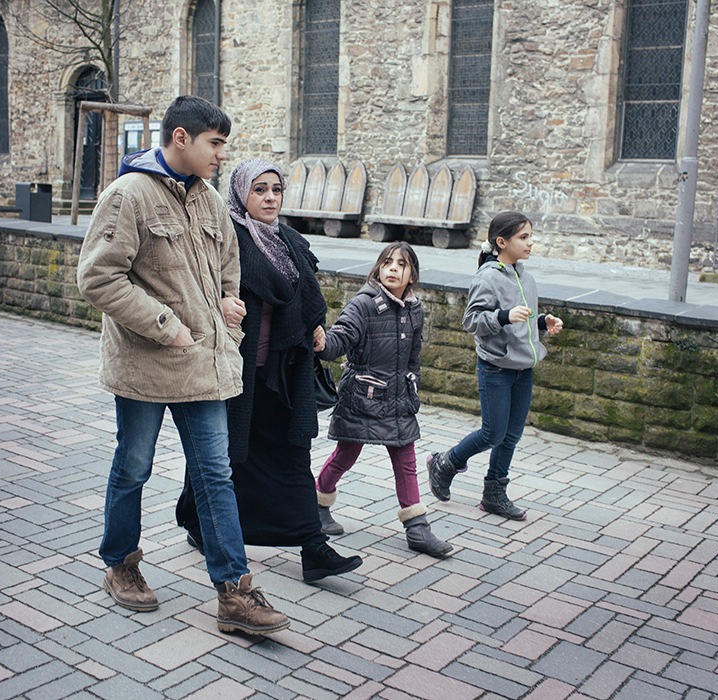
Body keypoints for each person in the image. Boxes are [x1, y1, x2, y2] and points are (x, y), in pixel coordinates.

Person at [76, 96, 289, 636]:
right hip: (147, 365)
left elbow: (228, 275)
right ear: (181, 139)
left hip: (204, 365)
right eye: (214, 144)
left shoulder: (212, 202)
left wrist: (230, 319)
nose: (221, 155)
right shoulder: (128, 196)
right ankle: (120, 561)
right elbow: (98, 278)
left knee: (215, 472)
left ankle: (234, 592)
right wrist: (165, 326)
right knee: (134, 465)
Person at [175, 159, 363, 584]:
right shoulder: (225, 238)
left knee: (293, 454)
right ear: (242, 193)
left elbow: (308, 296)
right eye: (259, 190)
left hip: (283, 372)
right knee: (223, 457)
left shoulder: (291, 242)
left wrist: (315, 324)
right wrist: (222, 304)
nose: (270, 198)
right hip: (233, 372)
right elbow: (197, 291)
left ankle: (313, 547)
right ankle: (195, 518)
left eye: (276, 190)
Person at [313, 242, 453, 558]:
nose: (392, 268)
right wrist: (322, 342)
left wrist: (412, 386)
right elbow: (339, 341)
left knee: (405, 459)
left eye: (401, 265)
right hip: (363, 396)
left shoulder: (415, 310)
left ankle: (418, 529)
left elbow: (414, 358)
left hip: (400, 398)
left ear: (412, 276)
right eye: (387, 262)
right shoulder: (364, 304)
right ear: (378, 268)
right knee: (345, 455)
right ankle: (318, 502)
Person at [427, 211, 564, 520]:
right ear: (502, 242)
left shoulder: (524, 276)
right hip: (496, 368)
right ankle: (445, 462)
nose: (531, 242)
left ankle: (494, 494)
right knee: (493, 433)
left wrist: (544, 321)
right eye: (524, 237)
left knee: (511, 435)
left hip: (523, 368)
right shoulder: (488, 277)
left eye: (530, 236)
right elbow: (471, 320)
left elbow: (523, 319)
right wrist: (502, 315)